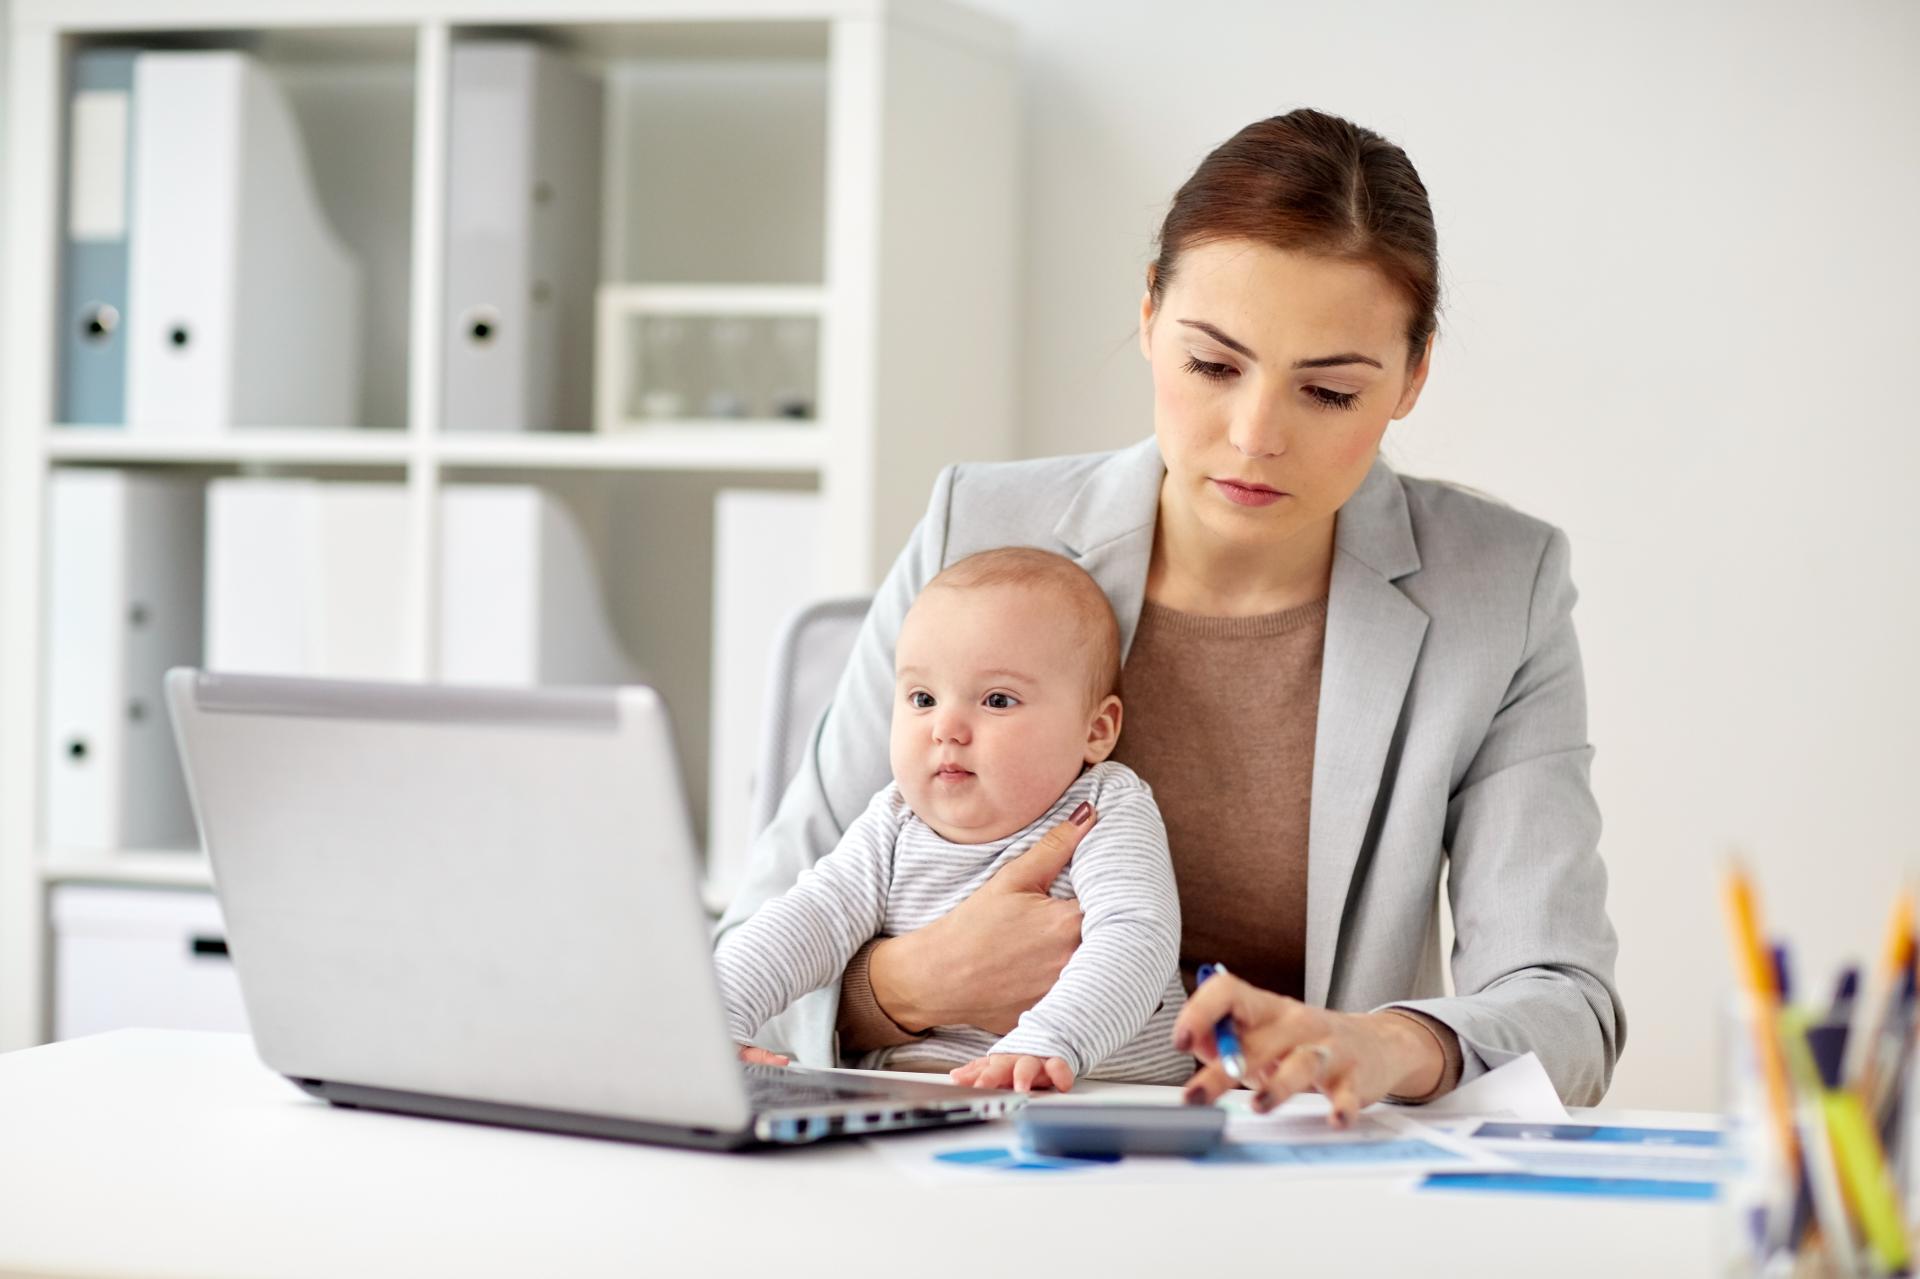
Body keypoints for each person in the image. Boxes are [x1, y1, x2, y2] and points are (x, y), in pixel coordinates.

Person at [718, 107, 1625, 1121]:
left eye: (1328, 391)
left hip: (1291, 1165)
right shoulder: (976, 525)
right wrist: (910, 987)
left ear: (1411, 377)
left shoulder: (1499, 587)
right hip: (963, 1141)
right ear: (1150, 314)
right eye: (1213, 366)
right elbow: (756, 939)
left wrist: (1389, 1042)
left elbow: (1568, 1008)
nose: (1254, 435)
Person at [714, 548, 1192, 1091]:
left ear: (1096, 730)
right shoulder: (893, 821)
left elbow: (1137, 936)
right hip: (909, 1100)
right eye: (922, 698)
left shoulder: (1105, 808)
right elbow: (805, 923)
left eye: (997, 700)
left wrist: (1049, 1039)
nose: (946, 728)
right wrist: (714, 1020)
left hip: (1097, 1094)